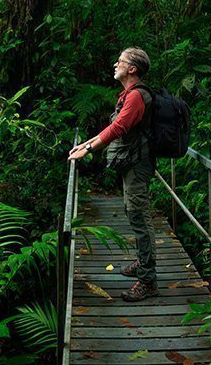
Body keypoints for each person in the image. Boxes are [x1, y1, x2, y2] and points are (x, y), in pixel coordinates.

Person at [68, 47, 158, 302]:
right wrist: (85, 143)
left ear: (132, 69)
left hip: (138, 165)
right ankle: (142, 264)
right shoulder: (129, 95)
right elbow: (114, 127)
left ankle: (148, 280)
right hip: (133, 162)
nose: (115, 64)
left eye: (120, 61)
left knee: (139, 216)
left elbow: (119, 127)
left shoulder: (137, 97)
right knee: (134, 213)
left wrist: (88, 149)